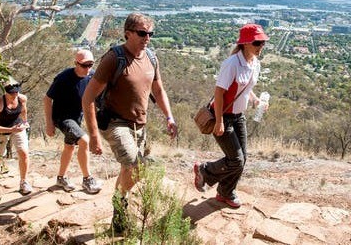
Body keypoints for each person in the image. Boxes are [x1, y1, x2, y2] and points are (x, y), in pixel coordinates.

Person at [82, 13, 178, 234]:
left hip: (139, 124)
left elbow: (158, 90)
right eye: (142, 33)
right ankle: (120, 202)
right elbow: (87, 98)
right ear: (128, 33)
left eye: (150, 33)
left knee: (128, 169)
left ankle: (119, 205)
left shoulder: (152, 58)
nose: (147, 38)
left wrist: (169, 117)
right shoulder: (114, 59)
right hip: (115, 123)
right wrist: (94, 136)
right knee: (135, 166)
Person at [192, 23, 269, 208]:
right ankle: (205, 170)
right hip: (224, 116)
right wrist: (219, 121)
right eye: (257, 43)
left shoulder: (254, 64)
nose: (261, 47)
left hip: (238, 116)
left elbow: (246, 88)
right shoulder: (232, 64)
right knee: (236, 160)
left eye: (263, 42)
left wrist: (256, 100)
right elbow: (219, 93)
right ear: (245, 43)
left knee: (242, 160)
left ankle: (225, 193)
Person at [44, 49, 103, 194]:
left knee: (69, 147)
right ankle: (87, 180)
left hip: (76, 118)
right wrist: (49, 123)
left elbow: (96, 98)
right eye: (84, 65)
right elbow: (47, 99)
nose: (88, 68)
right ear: (76, 63)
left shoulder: (92, 76)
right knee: (84, 140)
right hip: (62, 118)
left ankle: (61, 178)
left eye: (91, 65)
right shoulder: (63, 78)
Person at [0, 77, 32, 195]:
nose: (14, 95)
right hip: (0, 130)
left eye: (16, 92)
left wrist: (24, 123)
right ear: (5, 92)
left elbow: (23, 111)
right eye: (11, 93)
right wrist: (10, 129)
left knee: (23, 152)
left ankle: (24, 181)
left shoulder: (22, 99)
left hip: (17, 127)